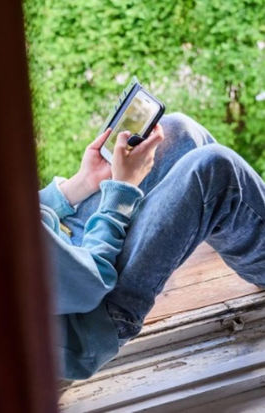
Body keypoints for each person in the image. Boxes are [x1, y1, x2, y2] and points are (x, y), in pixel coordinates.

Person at [40, 112, 265, 380]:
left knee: (177, 132)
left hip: (63, 249)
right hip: (87, 316)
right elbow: (90, 283)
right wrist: (120, 191)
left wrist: (82, 183)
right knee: (214, 169)